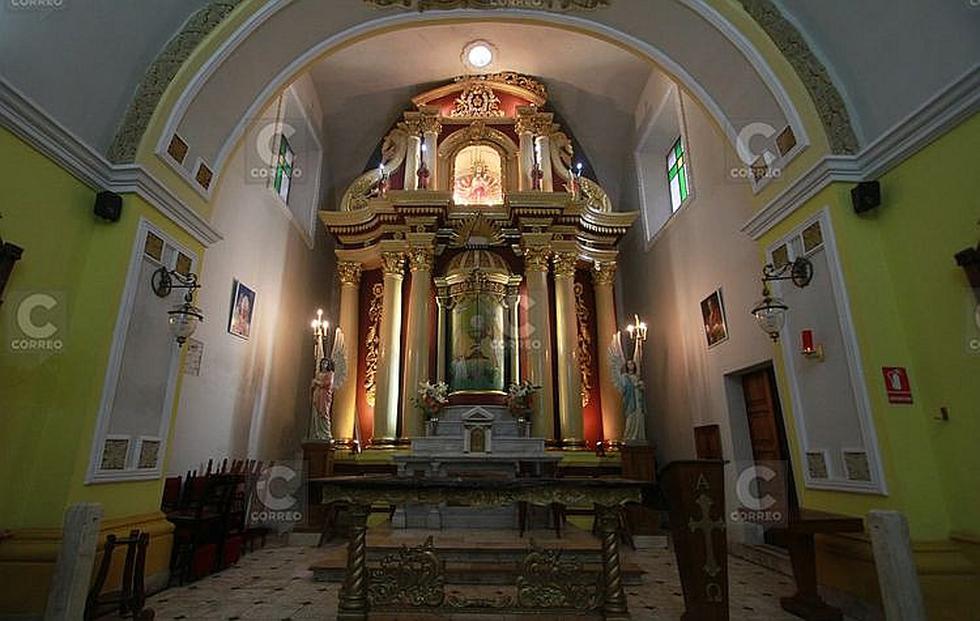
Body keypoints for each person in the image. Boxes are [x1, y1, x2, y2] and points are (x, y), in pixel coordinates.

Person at [310, 357, 335, 441]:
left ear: (328, 365)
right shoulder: (318, 374)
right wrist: (313, 385)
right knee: (317, 416)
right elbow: (313, 385)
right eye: (322, 363)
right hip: (318, 395)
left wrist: (317, 382)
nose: (324, 365)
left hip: (324, 397)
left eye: (326, 363)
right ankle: (318, 433)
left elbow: (327, 384)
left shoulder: (330, 374)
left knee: (324, 414)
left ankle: (326, 433)